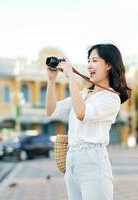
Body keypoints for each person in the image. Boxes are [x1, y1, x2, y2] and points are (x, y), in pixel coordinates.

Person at [45, 43, 131, 200]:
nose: (89, 65)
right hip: (71, 161)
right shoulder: (84, 94)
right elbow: (51, 111)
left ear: (109, 65)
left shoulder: (111, 98)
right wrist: (51, 81)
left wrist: (71, 76)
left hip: (93, 162)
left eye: (94, 60)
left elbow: (81, 113)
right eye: (88, 61)